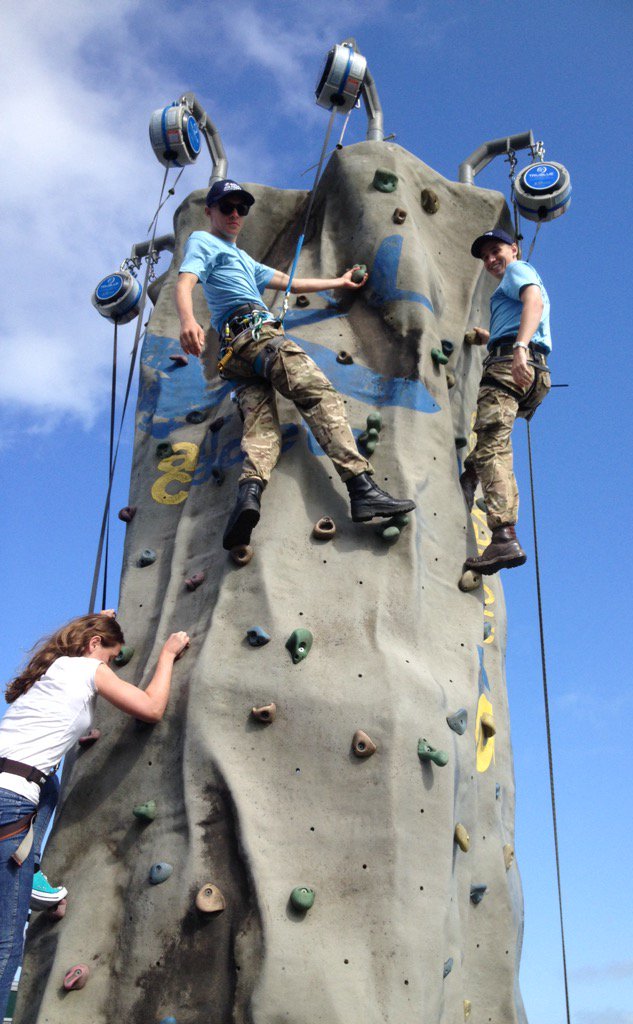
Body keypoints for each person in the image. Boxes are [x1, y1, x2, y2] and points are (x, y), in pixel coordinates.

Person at [175, 179, 416, 551]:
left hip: (236, 357)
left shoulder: (241, 259)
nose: (235, 214)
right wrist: (188, 320)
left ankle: (249, 496)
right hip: (256, 335)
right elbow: (185, 281)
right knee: (317, 393)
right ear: (209, 212)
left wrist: (338, 281)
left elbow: (288, 282)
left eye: (242, 208)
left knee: (260, 427)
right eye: (227, 207)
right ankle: (361, 487)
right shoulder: (203, 241)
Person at [0, 613, 189, 1012]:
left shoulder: (51, 669)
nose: (109, 665)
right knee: (7, 940)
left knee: (49, 784)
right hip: (11, 799)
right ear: (93, 646)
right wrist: (168, 654)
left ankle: (33, 871)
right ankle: (30, 875)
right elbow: (151, 708)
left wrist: (99, 622)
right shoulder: (87, 669)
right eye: (110, 656)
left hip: (12, 787)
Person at [461, 228, 552, 574]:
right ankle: (472, 475)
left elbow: (534, 302)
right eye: (485, 257)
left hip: (509, 367)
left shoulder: (518, 270)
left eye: (496, 251)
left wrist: (518, 348)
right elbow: (520, 317)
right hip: (534, 372)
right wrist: (491, 337)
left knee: (492, 448)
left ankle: (502, 535)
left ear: (514, 249)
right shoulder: (510, 284)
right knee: (495, 443)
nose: (490, 259)